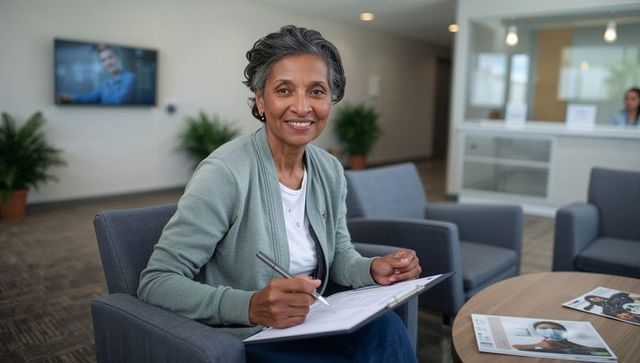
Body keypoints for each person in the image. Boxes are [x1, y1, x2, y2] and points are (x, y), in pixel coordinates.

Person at [137, 25, 421, 363]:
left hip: (317, 318)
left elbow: (339, 254)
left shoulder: (330, 170)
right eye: (284, 90)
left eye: (316, 91)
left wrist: (372, 269)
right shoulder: (225, 174)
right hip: (255, 333)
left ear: (330, 100)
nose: (302, 107)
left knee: (387, 328)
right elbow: (156, 281)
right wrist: (251, 306)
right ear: (260, 99)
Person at [56, 44, 135, 105]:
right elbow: (90, 98)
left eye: (110, 57)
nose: (108, 63)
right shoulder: (104, 84)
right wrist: (69, 97)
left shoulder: (130, 77)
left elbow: (118, 101)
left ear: (117, 57)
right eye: (103, 60)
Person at [512, 321, 611, 356]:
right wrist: (537, 345)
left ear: (564, 331)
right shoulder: (542, 346)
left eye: (555, 328)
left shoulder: (586, 346)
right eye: (544, 329)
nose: (551, 330)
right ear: (539, 332)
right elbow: (516, 347)